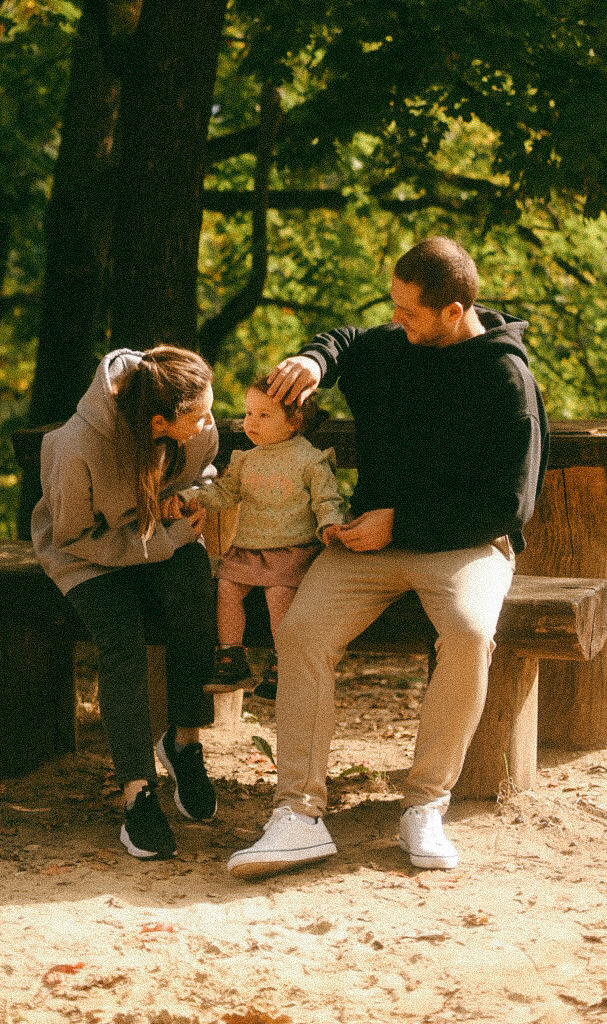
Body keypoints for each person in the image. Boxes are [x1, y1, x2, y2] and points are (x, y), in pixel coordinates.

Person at [226, 236, 548, 879]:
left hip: (464, 543)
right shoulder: (393, 347)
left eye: (408, 311)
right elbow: (347, 338)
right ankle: (297, 816)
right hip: (367, 546)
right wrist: (314, 361)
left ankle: (426, 806)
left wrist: (400, 521)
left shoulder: (505, 377)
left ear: (453, 312)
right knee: (302, 633)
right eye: (393, 307)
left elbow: (508, 505)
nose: (394, 321)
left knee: (467, 632)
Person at [31, 344, 220, 862]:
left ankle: (183, 743)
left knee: (194, 596)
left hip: (163, 538)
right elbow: (73, 538)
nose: (209, 422)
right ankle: (137, 791)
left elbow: (205, 471)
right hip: (89, 556)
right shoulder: (76, 448)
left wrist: (189, 499)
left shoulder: (192, 429)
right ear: (159, 421)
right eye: (199, 413)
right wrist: (165, 540)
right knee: (123, 642)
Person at [189, 379, 344, 700]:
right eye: (248, 413)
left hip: (292, 549)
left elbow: (327, 500)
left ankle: (284, 662)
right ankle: (232, 658)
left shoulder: (310, 460)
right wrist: (194, 498)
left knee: (278, 596)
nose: (250, 422)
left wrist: (330, 524)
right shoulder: (247, 459)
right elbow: (224, 493)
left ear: (294, 421)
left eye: (263, 415)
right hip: (248, 549)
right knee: (227, 588)